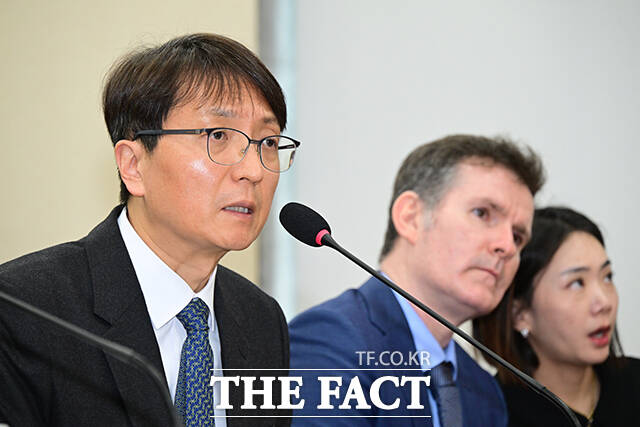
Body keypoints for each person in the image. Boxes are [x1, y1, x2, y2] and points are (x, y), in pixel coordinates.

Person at [0, 33, 297, 426]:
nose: (254, 170)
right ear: (133, 165)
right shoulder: (23, 309)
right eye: (218, 136)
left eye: (269, 142)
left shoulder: (262, 321)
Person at [289, 134, 545, 426]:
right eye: (482, 213)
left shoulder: (485, 392)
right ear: (411, 217)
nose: (507, 246)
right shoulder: (333, 340)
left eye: (517, 237)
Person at [473, 207, 640, 427]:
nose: (604, 303)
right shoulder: (491, 415)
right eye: (577, 283)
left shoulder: (634, 382)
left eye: (607, 277)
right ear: (519, 314)